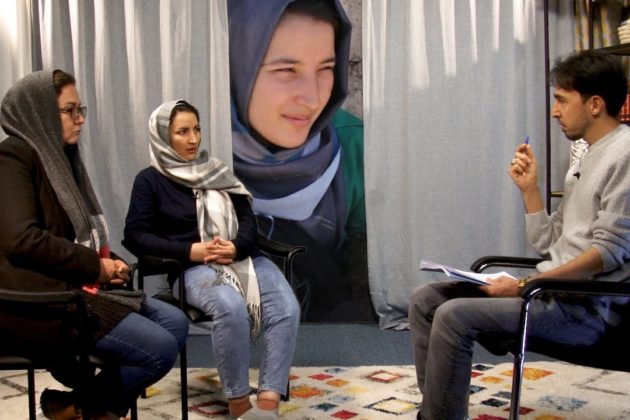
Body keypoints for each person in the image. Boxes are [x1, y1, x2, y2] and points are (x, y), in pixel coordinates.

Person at [409, 49, 630, 420]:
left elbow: (606, 255)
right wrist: (530, 190)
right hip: (550, 294)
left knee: (453, 315)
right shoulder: (586, 156)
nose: (554, 111)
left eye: (562, 100)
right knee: (426, 299)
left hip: (585, 311)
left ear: (594, 104)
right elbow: (550, 242)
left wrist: (526, 284)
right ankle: (437, 411)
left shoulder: (624, 154)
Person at [0, 70, 189, 420]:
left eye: (80, 109)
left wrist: (109, 262)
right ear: (39, 113)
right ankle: (92, 408)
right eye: (69, 110)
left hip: (75, 287)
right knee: (160, 348)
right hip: (40, 301)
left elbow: (75, 235)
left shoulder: (59, 158)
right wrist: (95, 267)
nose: (80, 119)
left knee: (176, 322)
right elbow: (22, 240)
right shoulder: (13, 157)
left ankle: (77, 406)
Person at [123, 100, 300, 419]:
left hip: (242, 259)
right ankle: (239, 404)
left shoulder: (216, 172)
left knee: (286, 307)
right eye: (182, 132)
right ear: (163, 137)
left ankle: (268, 404)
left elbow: (248, 222)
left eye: (197, 129)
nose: (193, 139)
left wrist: (234, 247)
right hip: (191, 267)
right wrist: (191, 251)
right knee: (230, 307)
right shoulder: (149, 181)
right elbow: (136, 236)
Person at [227, 0, 372, 322]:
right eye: (286, 70)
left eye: (326, 69)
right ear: (238, 65)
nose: (312, 98)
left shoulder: (352, 144)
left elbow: (368, 268)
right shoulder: (199, 145)